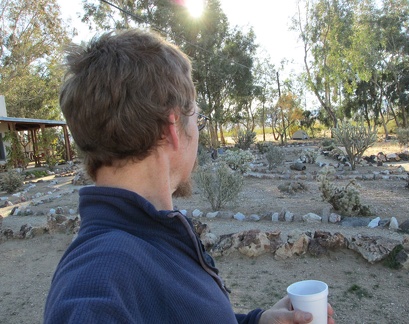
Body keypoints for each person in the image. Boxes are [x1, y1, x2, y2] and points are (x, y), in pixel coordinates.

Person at [44, 29, 334, 324]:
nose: (199, 133)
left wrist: (256, 322)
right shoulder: (96, 284)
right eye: (199, 120)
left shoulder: (149, 233)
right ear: (173, 127)